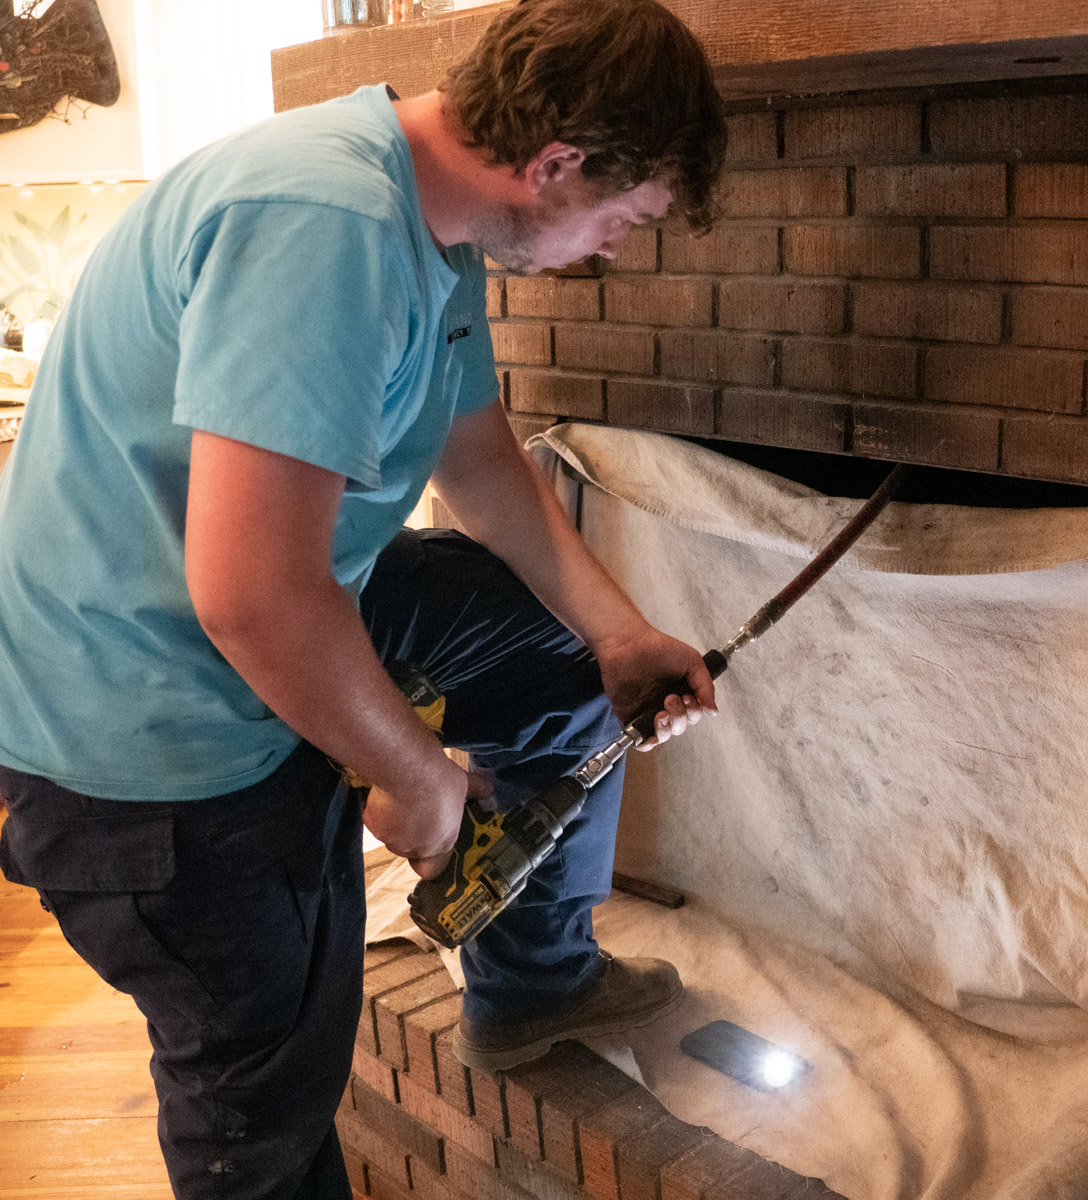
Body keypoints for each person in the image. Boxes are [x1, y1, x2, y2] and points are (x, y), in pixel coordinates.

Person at [0, 0, 727, 1196]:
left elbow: (476, 455)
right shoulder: (325, 224)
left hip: (241, 612)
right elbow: (253, 597)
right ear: (557, 163)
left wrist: (619, 634)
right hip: (144, 734)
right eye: (625, 218)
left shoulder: (423, 216)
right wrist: (417, 775)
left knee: (551, 659)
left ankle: (533, 984)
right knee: (266, 1113)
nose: (612, 251)